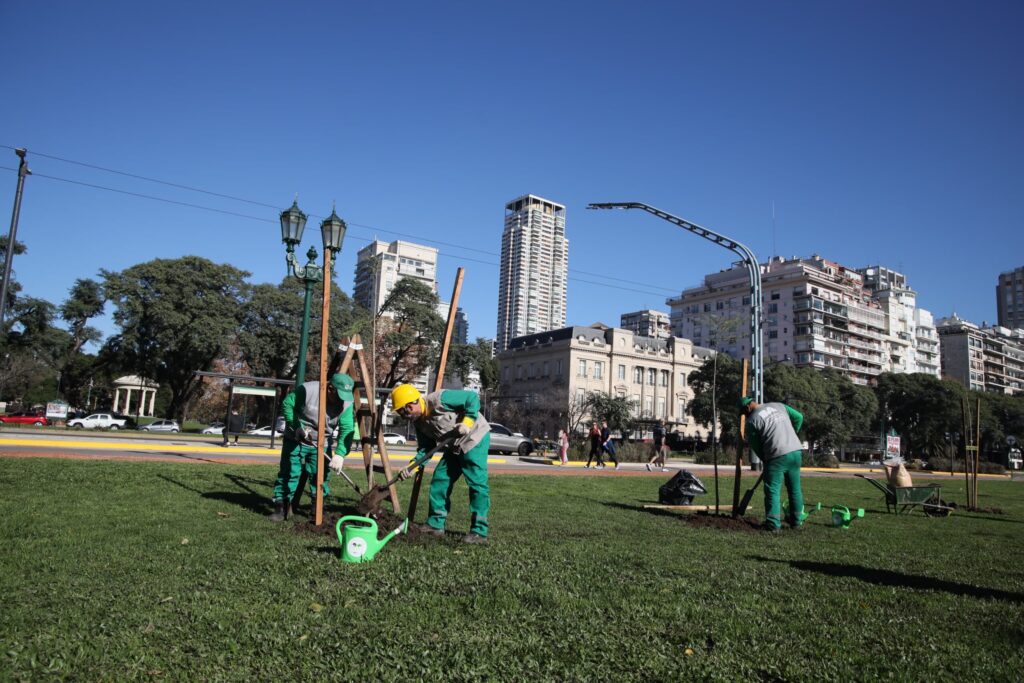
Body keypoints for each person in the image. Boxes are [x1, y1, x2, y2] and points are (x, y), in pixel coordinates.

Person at [390, 383, 492, 544]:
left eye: (403, 412)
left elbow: (472, 398)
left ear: (410, 405)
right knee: (440, 480)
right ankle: (435, 524)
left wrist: (467, 422)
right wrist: (412, 466)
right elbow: (426, 448)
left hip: (474, 438)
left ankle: (479, 532)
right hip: (454, 446)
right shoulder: (419, 422)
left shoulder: (439, 399)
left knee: (476, 484)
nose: (403, 416)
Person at [268, 373, 355, 522]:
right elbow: (288, 405)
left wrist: (340, 454)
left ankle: (317, 510)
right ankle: (281, 507)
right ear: (330, 389)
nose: (341, 400)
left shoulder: (346, 403)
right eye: (339, 395)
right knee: (289, 472)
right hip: (295, 438)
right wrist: (297, 427)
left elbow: (347, 428)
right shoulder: (308, 390)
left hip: (322, 443)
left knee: (320, 476)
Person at [738, 396, 805, 532]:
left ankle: (773, 525)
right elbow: (799, 417)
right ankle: (797, 522)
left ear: (747, 407)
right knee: (795, 488)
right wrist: (792, 435)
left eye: (744, 413)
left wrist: (765, 460)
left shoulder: (752, 421)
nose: (745, 416)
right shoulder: (779, 405)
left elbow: (756, 446)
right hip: (795, 451)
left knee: (772, 490)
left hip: (776, 455)